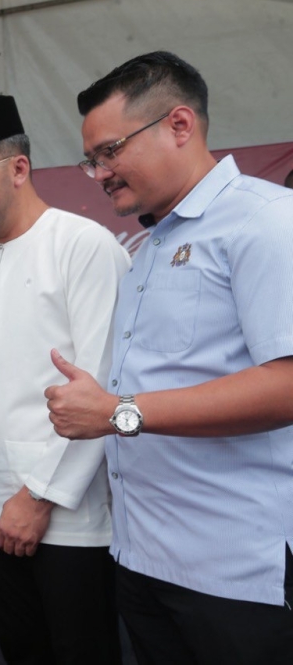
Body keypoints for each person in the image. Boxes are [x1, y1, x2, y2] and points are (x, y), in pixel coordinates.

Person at [45, 51, 293, 664]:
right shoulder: (152, 246)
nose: (99, 173)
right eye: (91, 159)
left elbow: (287, 387)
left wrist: (117, 413)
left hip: (235, 575)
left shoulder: (265, 223)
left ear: (179, 125)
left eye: (110, 151)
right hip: (143, 559)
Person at [0, 96, 129, 665]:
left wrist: (40, 497)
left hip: (70, 515)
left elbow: (103, 388)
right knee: (20, 651)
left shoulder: (83, 246)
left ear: (18, 168)